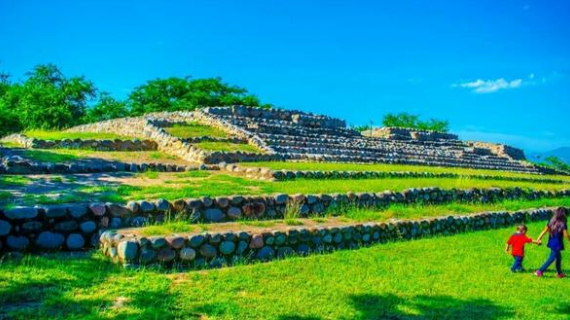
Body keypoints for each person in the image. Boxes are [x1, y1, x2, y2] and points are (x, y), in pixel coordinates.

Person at [535, 207, 570, 278]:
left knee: (558, 257)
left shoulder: (551, 221)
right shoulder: (563, 224)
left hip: (551, 242)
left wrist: (538, 238)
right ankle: (540, 271)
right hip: (557, 244)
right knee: (552, 258)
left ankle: (559, 273)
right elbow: (566, 235)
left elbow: (544, 231)